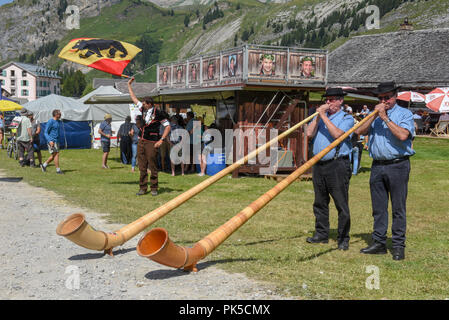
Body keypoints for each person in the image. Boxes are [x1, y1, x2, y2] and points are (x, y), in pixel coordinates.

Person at [355, 81, 415, 261]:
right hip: (377, 165)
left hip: (398, 165)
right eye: (381, 98)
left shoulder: (404, 113)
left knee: (398, 207)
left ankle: (398, 246)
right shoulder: (375, 115)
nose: (384, 101)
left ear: (395, 97)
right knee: (379, 208)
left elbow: (403, 135)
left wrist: (386, 118)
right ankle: (379, 242)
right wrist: (374, 116)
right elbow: (359, 131)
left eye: (387, 97)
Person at [305, 87, 354, 251]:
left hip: (337, 164)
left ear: (340, 101)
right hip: (319, 165)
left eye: (332, 99)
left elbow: (337, 135)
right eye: (326, 99)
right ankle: (321, 234)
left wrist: (324, 116)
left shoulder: (347, 118)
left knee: (341, 203)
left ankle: (343, 238)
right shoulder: (320, 118)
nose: (328, 102)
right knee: (320, 202)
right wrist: (318, 118)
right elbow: (309, 134)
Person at [128, 77, 170, 196]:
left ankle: (154, 188)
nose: (143, 105)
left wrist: (161, 140)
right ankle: (142, 188)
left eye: (145, 104)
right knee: (142, 166)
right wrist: (129, 85)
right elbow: (134, 98)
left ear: (150, 104)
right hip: (141, 141)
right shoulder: (142, 109)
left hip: (152, 142)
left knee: (152, 166)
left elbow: (168, 127)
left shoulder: (159, 113)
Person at [42, 109, 63, 174]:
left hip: (57, 141)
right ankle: (58, 170)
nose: (60, 115)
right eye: (59, 114)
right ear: (56, 114)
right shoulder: (50, 122)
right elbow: (45, 132)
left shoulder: (58, 122)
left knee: (54, 155)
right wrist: (50, 140)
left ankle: (44, 165)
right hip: (52, 141)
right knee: (56, 154)